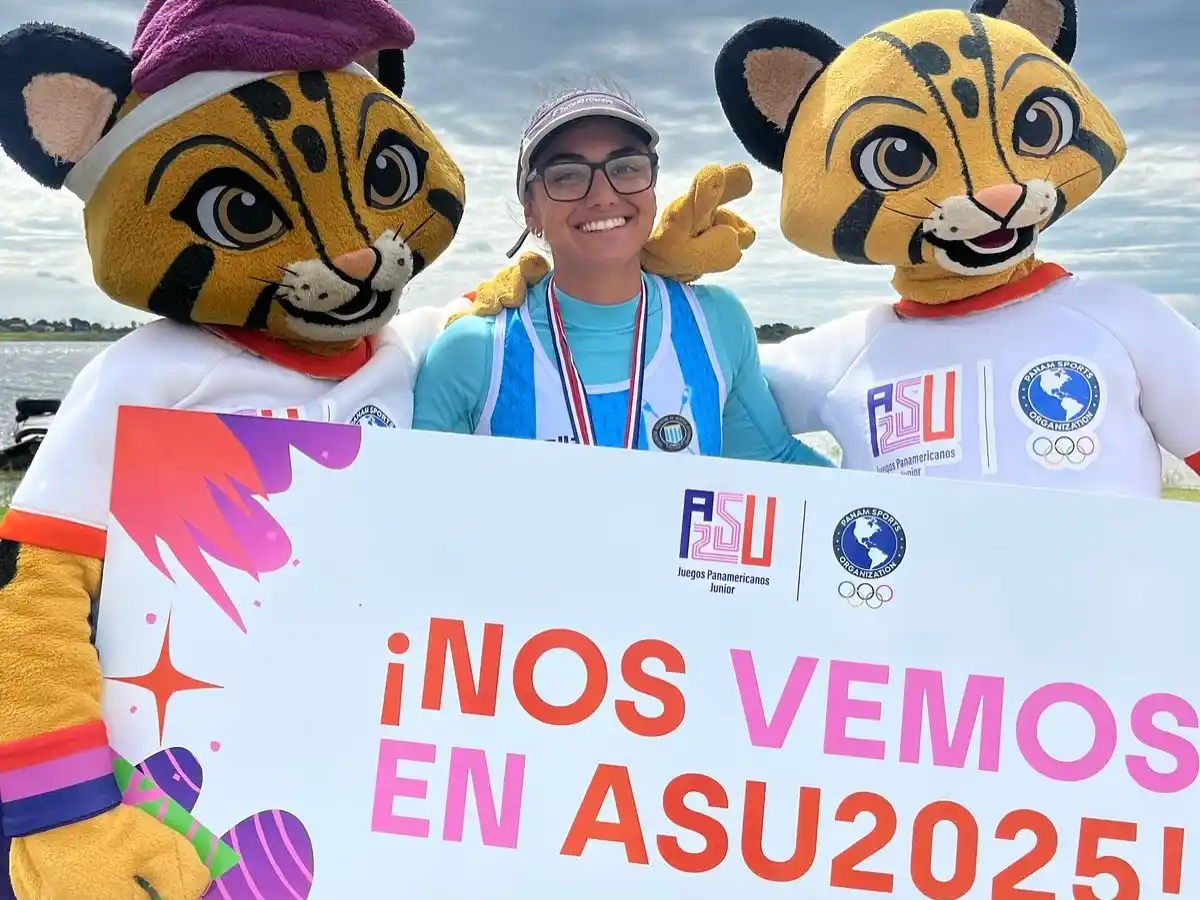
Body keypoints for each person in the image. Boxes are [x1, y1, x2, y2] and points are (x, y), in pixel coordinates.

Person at [412, 86, 833, 464]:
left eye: (626, 167)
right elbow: (411, 507)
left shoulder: (717, 321)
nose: (602, 195)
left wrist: (894, 509)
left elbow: (772, 462)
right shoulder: (472, 351)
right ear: (532, 211)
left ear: (652, 186)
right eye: (567, 175)